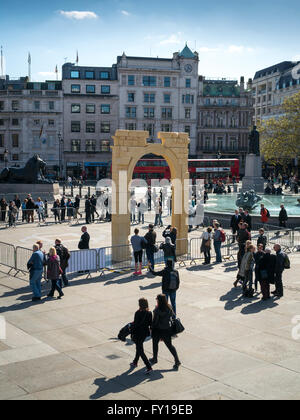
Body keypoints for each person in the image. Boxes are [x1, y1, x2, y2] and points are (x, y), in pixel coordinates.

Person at [150, 294, 181, 370]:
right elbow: (173, 316)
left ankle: (155, 358)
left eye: (157, 299)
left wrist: (151, 328)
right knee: (170, 346)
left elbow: (155, 322)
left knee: (155, 344)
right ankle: (177, 360)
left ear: (158, 300)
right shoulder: (169, 307)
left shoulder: (157, 310)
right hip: (167, 329)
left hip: (157, 330)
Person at [130, 298, 153, 374]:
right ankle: (135, 361)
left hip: (138, 333)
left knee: (140, 350)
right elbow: (150, 324)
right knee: (139, 347)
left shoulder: (137, 313)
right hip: (144, 333)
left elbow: (136, 324)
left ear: (140, 304)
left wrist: (132, 330)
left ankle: (149, 366)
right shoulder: (149, 313)